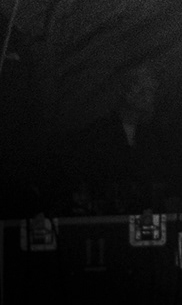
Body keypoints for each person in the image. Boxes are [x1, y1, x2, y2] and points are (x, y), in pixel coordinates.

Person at [66, 60, 172, 212]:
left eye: (151, 91)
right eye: (143, 90)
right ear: (126, 91)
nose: (148, 97)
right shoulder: (99, 132)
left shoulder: (153, 136)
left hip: (144, 215)